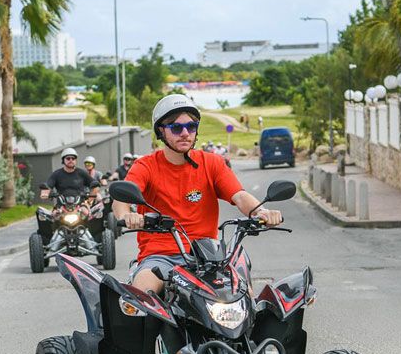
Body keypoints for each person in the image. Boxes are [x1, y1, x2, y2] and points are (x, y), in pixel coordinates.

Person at [113, 94, 283, 295]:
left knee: (244, 296)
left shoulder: (212, 163)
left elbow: (239, 195)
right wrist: (127, 216)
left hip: (209, 257)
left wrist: (260, 212)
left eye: (191, 127)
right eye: (176, 128)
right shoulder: (146, 166)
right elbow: (120, 200)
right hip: (161, 257)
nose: (185, 133)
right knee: (141, 293)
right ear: (161, 131)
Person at [41, 147, 99, 213]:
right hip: (61, 205)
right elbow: (48, 186)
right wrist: (45, 193)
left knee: (86, 212)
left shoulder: (82, 173)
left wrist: (88, 201)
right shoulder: (56, 174)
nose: (71, 160)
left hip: (79, 205)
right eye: (68, 158)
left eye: (73, 158)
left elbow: (95, 186)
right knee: (54, 214)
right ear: (63, 160)